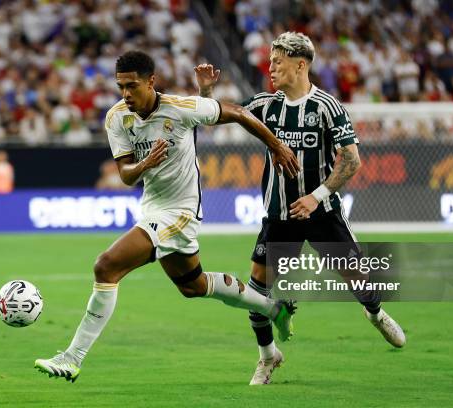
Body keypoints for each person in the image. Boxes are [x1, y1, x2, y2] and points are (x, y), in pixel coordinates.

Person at [34, 50, 301, 382]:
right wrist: (145, 165)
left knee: (106, 265)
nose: (126, 94)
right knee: (193, 286)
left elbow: (237, 112)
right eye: (121, 87)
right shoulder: (117, 117)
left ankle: (72, 358)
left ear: (151, 81)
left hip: (182, 211)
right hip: (152, 208)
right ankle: (274, 308)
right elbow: (126, 176)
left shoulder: (181, 107)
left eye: (132, 86)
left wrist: (276, 146)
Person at [195, 32, 406, 385]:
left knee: (359, 281)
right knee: (255, 293)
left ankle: (375, 313)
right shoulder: (265, 104)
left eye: (277, 61)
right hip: (279, 217)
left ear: (300, 65)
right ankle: (267, 357)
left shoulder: (327, 107)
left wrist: (316, 196)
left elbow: (351, 161)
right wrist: (206, 93)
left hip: (322, 213)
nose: (271, 67)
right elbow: (215, 118)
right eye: (270, 61)